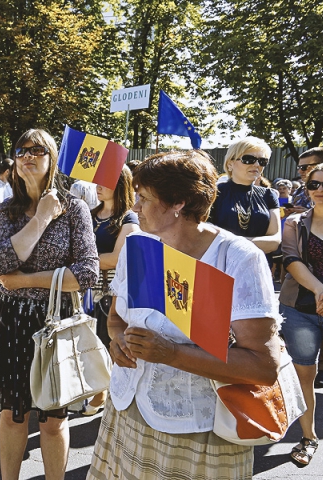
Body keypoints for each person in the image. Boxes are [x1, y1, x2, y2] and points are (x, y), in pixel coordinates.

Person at [87, 150, 282, 480]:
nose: (134, 207)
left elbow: (263, 367)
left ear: (178, 203)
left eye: (144, 198)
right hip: (126, 411)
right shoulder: (138, 247)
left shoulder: (236, 258)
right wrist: (117, 339)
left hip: (196, 427)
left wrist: (171, 353)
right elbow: (117, 318)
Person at [0, 129, 100, 480]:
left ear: (52, 159)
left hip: (55, 323)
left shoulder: (75, 207)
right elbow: (0, 262)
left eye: (38, 150)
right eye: (21, 150)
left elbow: (88, 273)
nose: (27, 155)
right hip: (14, 320)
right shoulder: (8, 210)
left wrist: (26, 279)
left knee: (52, 419)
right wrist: (42, 216)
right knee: (12, 415)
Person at [279, 162, 323, 466]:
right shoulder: (295, 222)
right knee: (305, 375)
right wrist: (321, 291)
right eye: (314, 184)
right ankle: (309, 437)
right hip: (300, 309)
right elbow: (290, 259)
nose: (321, 190)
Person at [84, 165, 139, 416]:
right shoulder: (89, 213)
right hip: (84, 289)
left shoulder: (129, 218)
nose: (98, 185)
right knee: (88, 342)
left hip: (112, 290)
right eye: (97, 180)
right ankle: (98, 391)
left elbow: (118, 258)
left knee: (108, 341)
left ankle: (103, 395)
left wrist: (82, 259)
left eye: (105, 180)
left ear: (121, 183)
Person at [209, 137, 281, 255]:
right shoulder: (214, 193)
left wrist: (227, 243)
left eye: (262, 161)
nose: (257, 164)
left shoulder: (269, 195)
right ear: (230, 164)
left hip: (258, 266)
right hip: (221, 266)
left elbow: (274, 242)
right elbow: (205, 237)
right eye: (248, 159)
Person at [288, 147, 323, 214]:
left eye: (304, 167)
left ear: (322, 166)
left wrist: (309, 214)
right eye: (299, 167)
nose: (300, 171)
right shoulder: (299, 191)